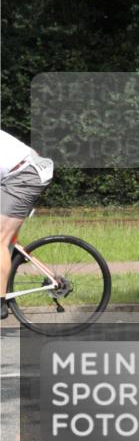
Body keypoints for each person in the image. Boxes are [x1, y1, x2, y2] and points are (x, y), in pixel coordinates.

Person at [0, 129, 54, 319]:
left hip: (24, 175)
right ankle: (13, 255)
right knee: (7, 242)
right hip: (17, 175)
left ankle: (0, 303)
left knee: (0, 241)